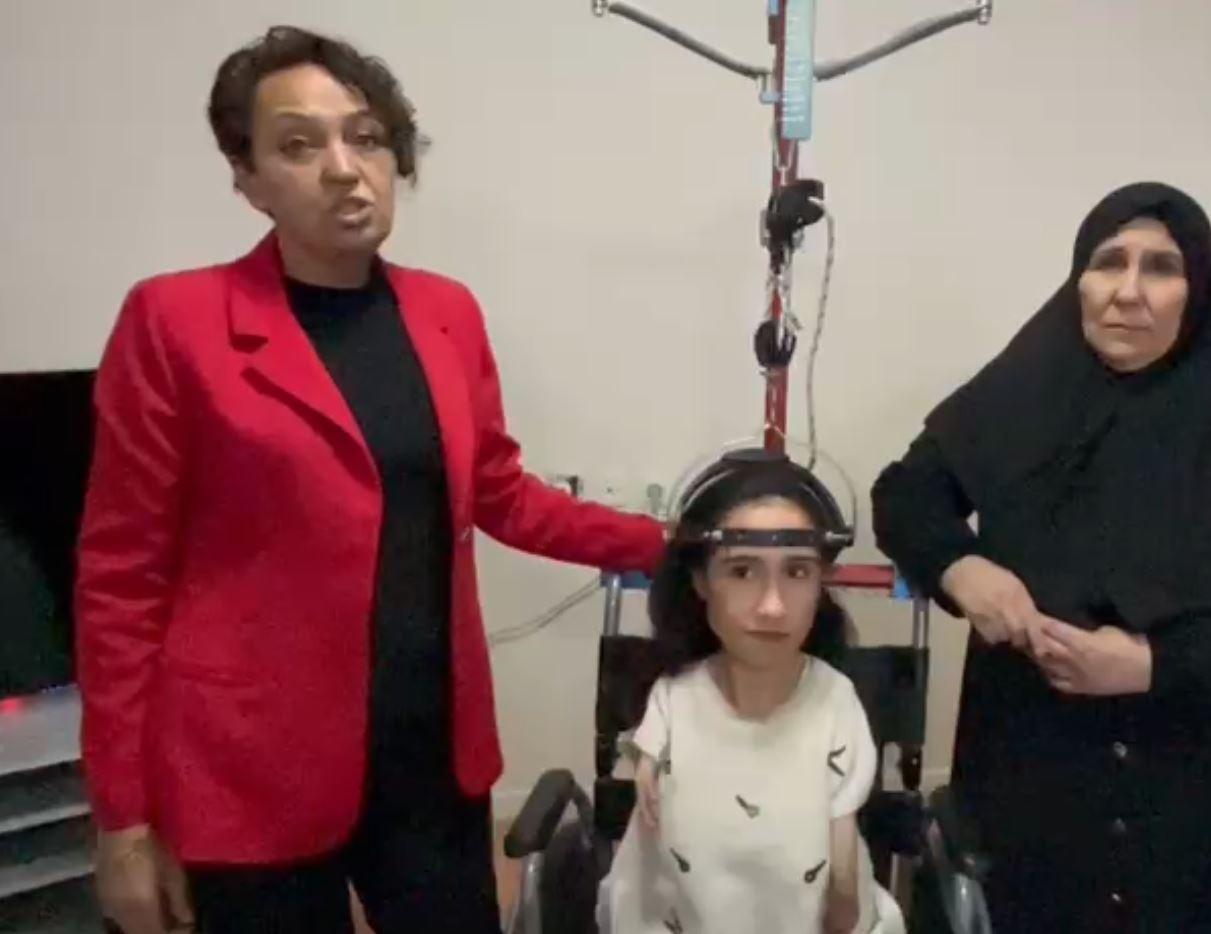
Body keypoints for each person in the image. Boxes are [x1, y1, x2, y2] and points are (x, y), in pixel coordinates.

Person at [75, 26, 665, 934]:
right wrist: (123, 821)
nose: (345, 169)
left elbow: (500, 492)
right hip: (246, 770)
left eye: (367, 138)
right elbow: (121, 582)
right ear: (248, 178)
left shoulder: (446, 312)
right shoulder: (173, 322)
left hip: (429, 760)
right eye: (298, 146)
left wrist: (673, 544)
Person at [871, 182, 1211, 933]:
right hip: (1038, 771)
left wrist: (1154, 665)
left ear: (1197, 289)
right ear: (1079, 280)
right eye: (1108, 262)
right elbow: (905, 497)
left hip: (1205, 787)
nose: (1129, 291)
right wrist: (961, 568)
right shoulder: (1024, 391)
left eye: (1161, 267)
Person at [601, 449, 905, 934]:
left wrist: (843, 908)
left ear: (821, 582)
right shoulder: (672, 698)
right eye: (742, 571)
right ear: (701, 580)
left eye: (797, 572)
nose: (772, 606)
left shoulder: (834, 702)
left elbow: (843, 884)